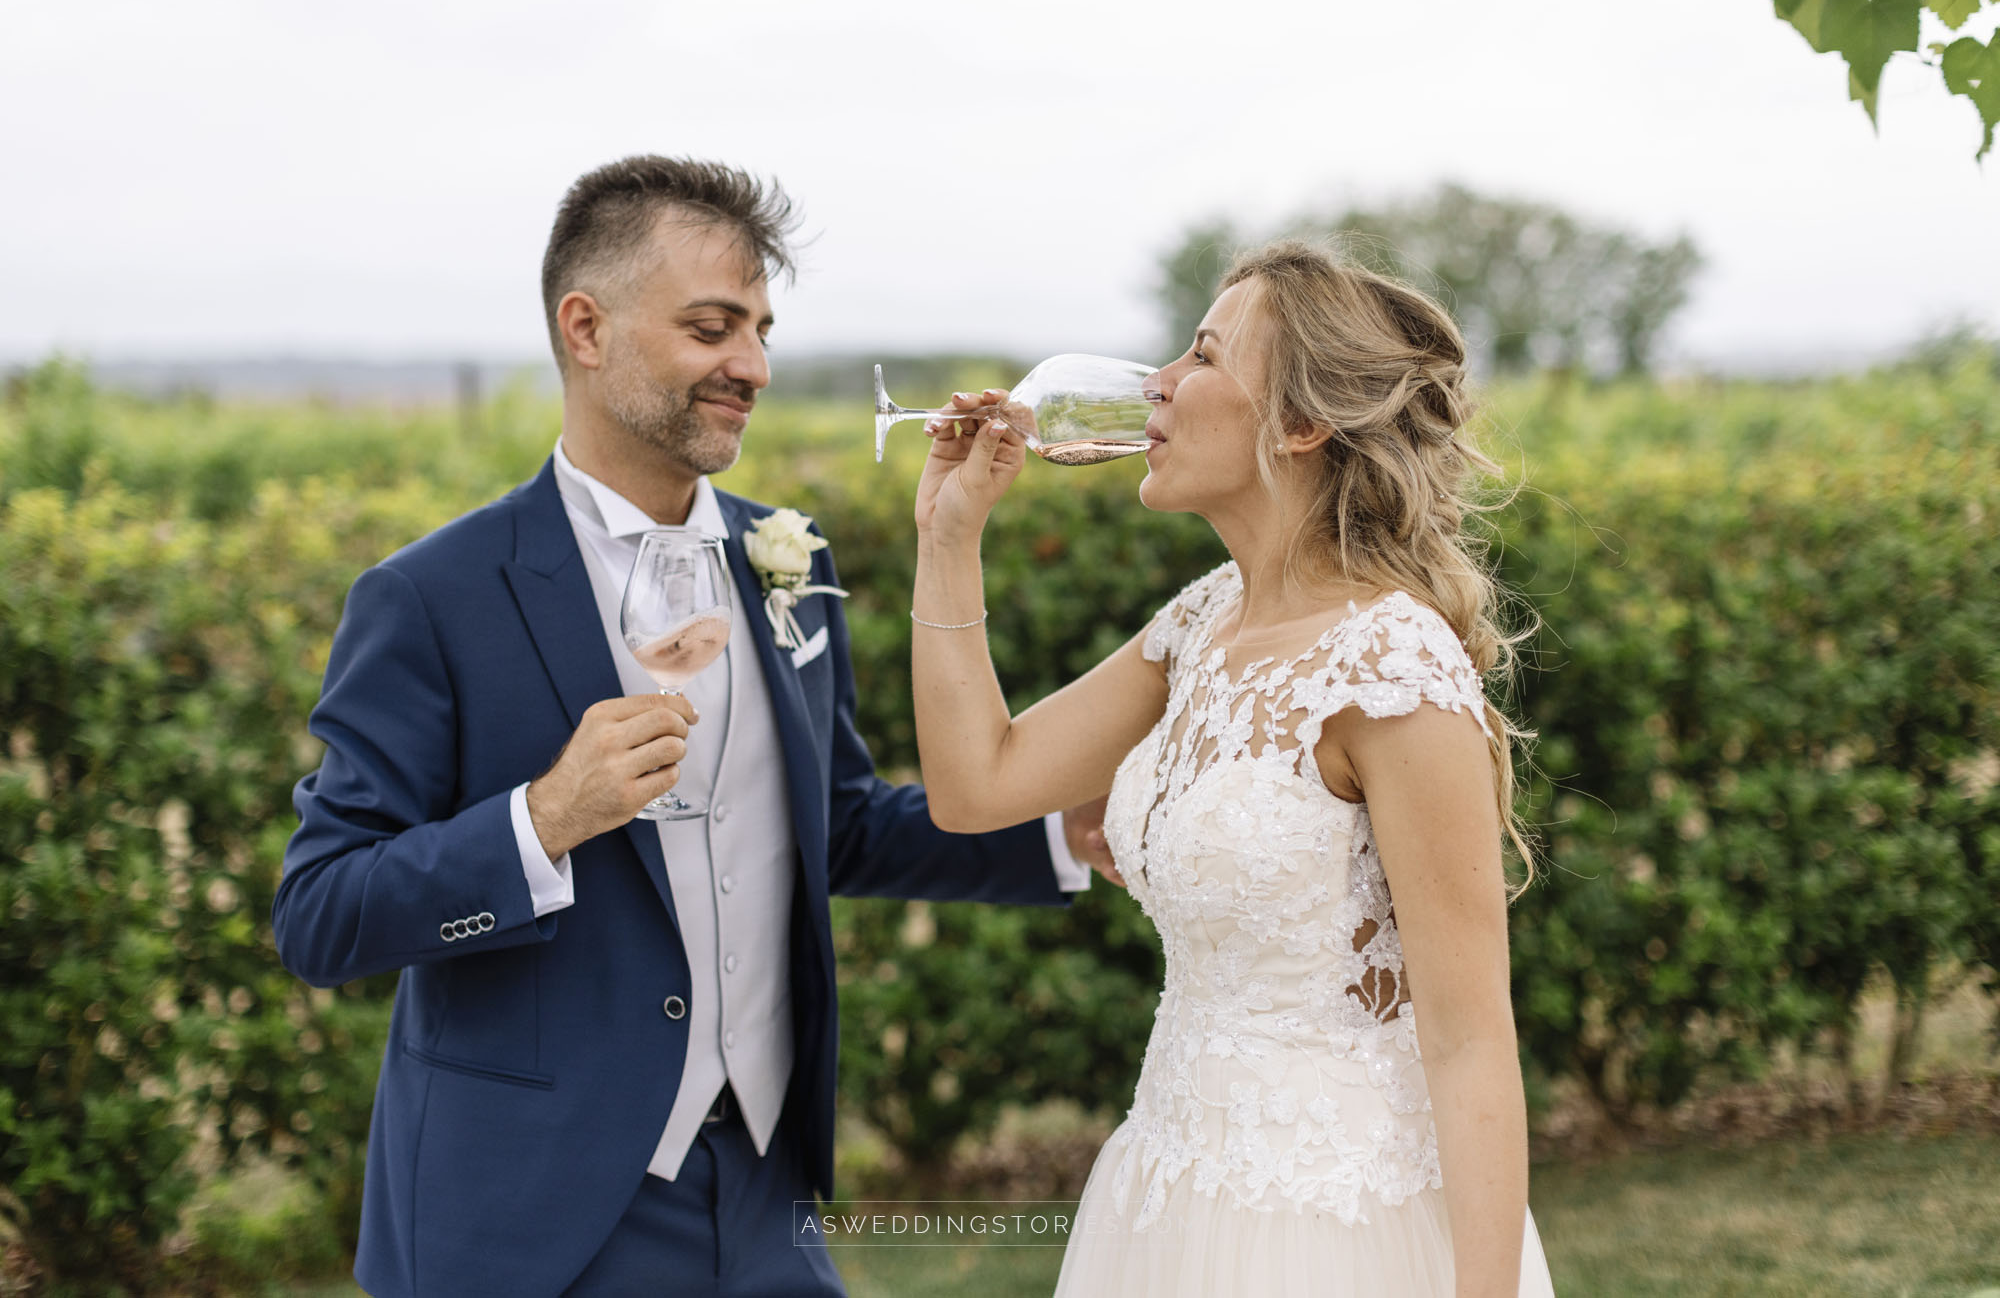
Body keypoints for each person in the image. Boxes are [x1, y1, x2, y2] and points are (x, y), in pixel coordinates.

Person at [270, 155, 1095, 1298]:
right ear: (586, 327)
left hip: (766, 1190)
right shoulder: (429, 597)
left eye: (758, 328)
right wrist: (544, 818)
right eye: (712, 328)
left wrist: (1060, 830)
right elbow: (319, 915)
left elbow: (834, 824)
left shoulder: (789, 562)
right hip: (528, 1217)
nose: (750, 366)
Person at [908, 239, 1558, 1296]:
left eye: (1202, 355)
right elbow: (975, 783)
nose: (1158, 381)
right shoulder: (1202, 618)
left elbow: (1468, 1039)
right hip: (1166, 1201)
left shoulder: (1391, 664)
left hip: (1335, 1227)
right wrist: (948, 536)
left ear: (1299, 423)